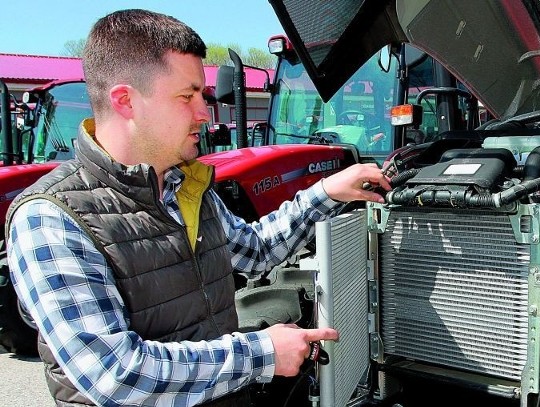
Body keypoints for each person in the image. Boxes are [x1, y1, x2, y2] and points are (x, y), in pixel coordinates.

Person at [4, 9, 391, 407]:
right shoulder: (50, 217)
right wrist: (262, 353)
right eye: (186, 96)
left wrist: (328, 191)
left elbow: (254, 252)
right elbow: (115, 374)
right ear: (126, 101)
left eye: (202, 96)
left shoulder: (184, 185)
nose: (204, 113)